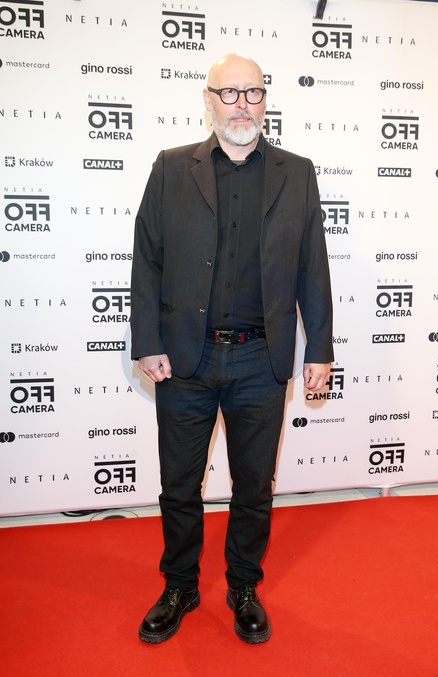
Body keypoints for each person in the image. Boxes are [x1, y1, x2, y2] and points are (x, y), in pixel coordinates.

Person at [130, 53, 333, 644]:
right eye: (230, 93)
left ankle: (243, 584)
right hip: (184, 360)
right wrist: (147, 341)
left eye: (253, 92)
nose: (242, 104)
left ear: (265, 99)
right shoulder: (171, 168)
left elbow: (313, 268)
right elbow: (147, 260)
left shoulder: (298, 172)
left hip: (260, 361)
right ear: (208, 99)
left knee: (253, 488)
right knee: (179, 486)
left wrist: (318, 349)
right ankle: (180, 586)